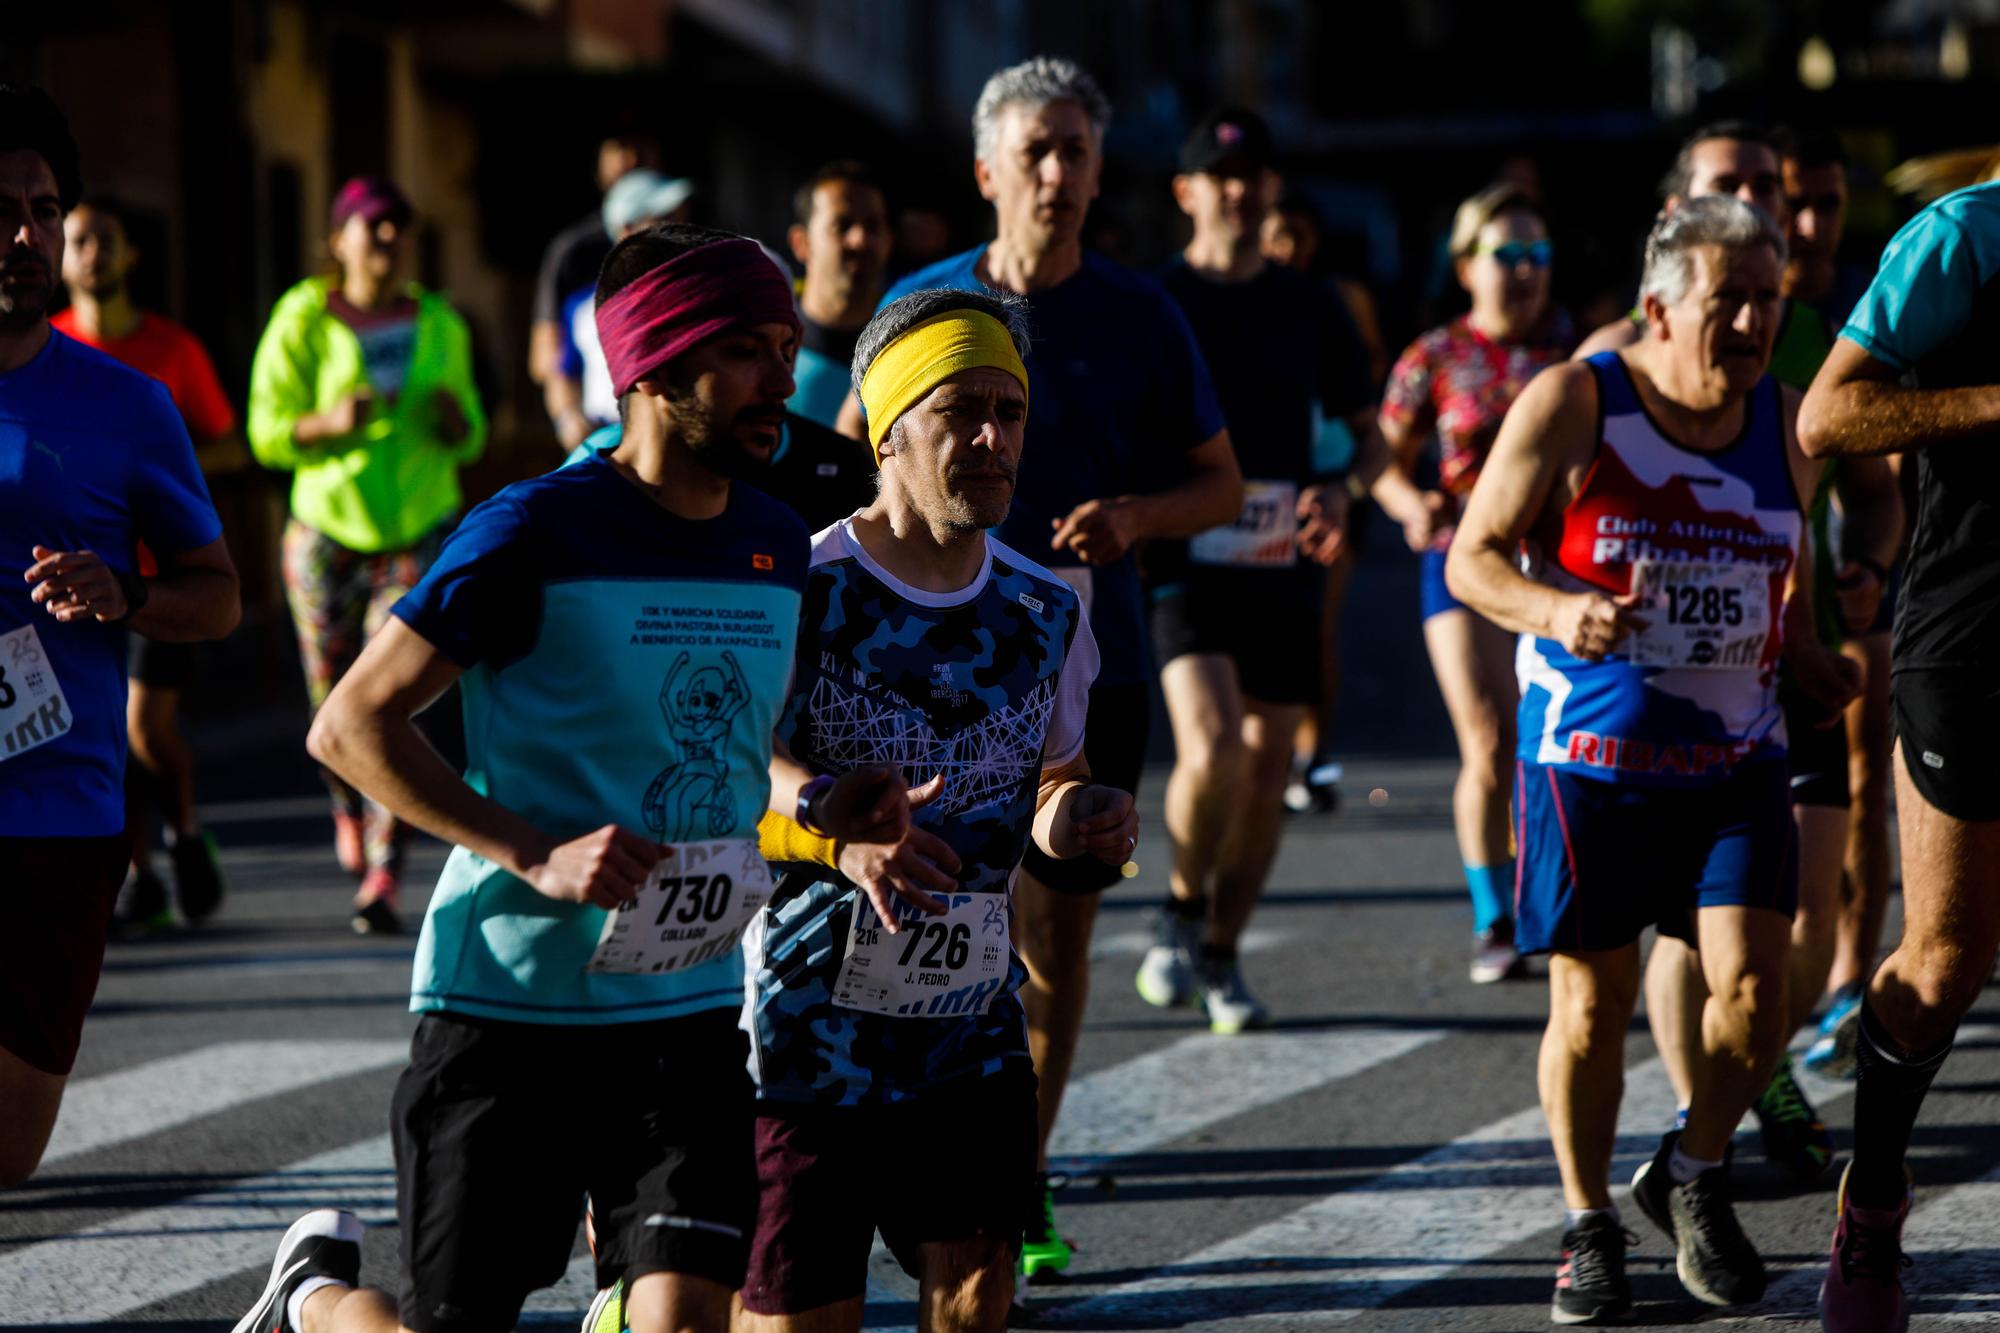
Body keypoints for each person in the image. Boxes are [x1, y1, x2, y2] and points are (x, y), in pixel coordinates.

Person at [232, 224, 912, 1333]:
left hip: (683, 1008)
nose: (780, 382)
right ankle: (315, 1298)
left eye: (785, 348)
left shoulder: (776, 542)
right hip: (508, 1010)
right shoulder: (533, 528)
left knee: (687, 1315)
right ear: (650, 365)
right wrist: (530, 849)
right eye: (744, 350)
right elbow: (349, 727)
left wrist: (822, 804)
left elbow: (737, 750)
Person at [838, 55, 1242, 1278]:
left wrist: (1134, 519)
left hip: (1081, 659)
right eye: (1037, 153)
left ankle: (1016, 1166)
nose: (1060, 176)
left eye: (1077, 152)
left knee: (1048, 939)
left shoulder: (1138, 313)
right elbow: (854, 474)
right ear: (986, 172)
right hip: (918, 668)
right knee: (925, 906)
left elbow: (1218, 484)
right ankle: (887, 1146)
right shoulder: (920, 306)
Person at [1446, 196, 1854, 1323]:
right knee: (1589, 1008)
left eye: (1767, 299)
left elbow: (1785, 586)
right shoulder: (1578, 400)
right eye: (1728, 298)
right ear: (1658, 306)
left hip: (1733, 759)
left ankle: (1686, 1168)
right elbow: (1472, 555)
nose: (1752, 321)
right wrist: (1551, 606)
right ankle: (1585, 1226)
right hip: (1585, 760)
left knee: (1756, 995)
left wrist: (1811, 656)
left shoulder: (1785, 424)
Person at [736, 289, 1136, 1333]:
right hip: (804, 1034)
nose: (995, 437)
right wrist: (826, 814)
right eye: (963, 410)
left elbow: (1050, 780)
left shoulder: (1045, 608)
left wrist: (1077, 816)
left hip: (970, 1029)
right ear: (888, 426)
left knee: (972, 1308)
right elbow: (736, 767)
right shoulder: (802, 589)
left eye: (1010, 412)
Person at [1636, 126, 1899, 1184]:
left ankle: (1751, 1067)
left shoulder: (1816, 342)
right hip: (1659, 688)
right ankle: (1710, 1118)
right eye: (1730, 187)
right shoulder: (1609, 360)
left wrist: (1865, 568)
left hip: (1791, 664)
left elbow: (1875, 489)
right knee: (1676, 928)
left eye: (1768, 188)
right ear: (1674, 214)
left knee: (1791, 916)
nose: (1764, 204)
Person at [0, 83, 239, 1188]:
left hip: (60, 812)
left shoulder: (127, 405)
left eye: (45, 211)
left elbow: (217, 592)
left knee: (8, 1153)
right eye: (3, 209)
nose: (26, 236)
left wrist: (128, 596)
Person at [1797, 177, 2000, 1333]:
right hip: (1970, 635)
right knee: (1942, 961)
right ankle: (1870, 1200)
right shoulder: (1963, 237)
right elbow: (1827, 418)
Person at [1137, 106, 1375, 1032]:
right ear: (1186, 192)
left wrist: (1345, 493)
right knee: (1215, 742)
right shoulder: (1155, 301)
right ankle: (1179, 908)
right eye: (1219, 177)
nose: (1238, 192)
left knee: (1270, 757)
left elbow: (1366, 440)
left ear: (1270, 188)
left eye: (1253, 177)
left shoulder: (1313, 304)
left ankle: (1222, 950)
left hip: (1283, 555)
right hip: (1183, 553)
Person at [247, 175, 487, 935]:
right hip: (326, 530)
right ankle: (344, 802)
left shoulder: (440, 320)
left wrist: (457, 422)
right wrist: (324, 422)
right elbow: (267, 431)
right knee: (331, 689)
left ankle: (383, 871)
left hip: (418, 530)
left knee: (391, 696)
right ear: (338, 239)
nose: (387, 239)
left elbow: (474, 429)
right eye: (372, 226)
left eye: (397, 227)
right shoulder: (302, 316)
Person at [1375, 181, 1573, 983]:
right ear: (1466, 267)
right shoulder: (1434, 356)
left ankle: (1541, 898)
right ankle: (1495, 916)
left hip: (1550, 566)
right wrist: (1407, 501)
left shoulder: (1576, 355)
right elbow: (1378, 463)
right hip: (1459, 560)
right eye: (1507, 256)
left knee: (1539, 740)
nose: (1525, 272)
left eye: (1538, 256)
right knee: (1488, 738)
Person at [52, 193, 236, 927]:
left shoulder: (173, 351)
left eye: (106, 239)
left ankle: (187, 838)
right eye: (79, 240)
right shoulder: (44, 351)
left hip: (157, 576)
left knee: (144, 729)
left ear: (130, 255)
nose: (93, 252)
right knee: (97, 727)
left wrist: (160, 468)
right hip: (61, 582)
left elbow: (229, 439)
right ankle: (141, 872)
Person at [1259, 192, 1385, 814]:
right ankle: (1274, 755)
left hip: (1332, 475)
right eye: (1277, 235)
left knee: (1319, 630)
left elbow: (1370, 374)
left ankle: (1316, 759)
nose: (1287, 249)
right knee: (1270, 628)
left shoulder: (1339, 300)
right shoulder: (1248, 303)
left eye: (1298, 235)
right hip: (1265, 484)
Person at [530, 123, 659, 452]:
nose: (630, 159)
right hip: (604, 437)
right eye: (618, 147)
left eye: (640, 146)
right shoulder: (573, 253)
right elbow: (547, 359)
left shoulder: (688, 241)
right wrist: (569, 418)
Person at [554, 170, 697, 435]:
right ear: (626, 228)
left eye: (678, 215)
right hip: (606, 441)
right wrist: (569, 421)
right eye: (662, 218)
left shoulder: (699, 292)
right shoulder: (583, 306)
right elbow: (564, 373)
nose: (678, 226)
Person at [784, 161, 892, 428]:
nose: (860, 240)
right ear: (801, 243)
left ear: (889, 241)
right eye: (841, 226)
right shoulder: (769, 344)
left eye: (873, 226)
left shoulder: (903, 348)